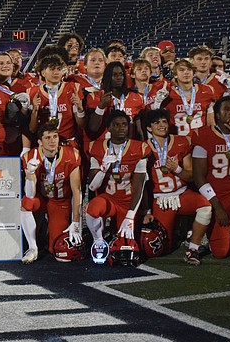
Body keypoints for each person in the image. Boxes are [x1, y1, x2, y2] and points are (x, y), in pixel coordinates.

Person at [190, 96, 230, 266]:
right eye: (226, 109)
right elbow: (198, 177)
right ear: (217, 114)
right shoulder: (203, 135)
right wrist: (217, 206)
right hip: (218, 197)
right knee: (220, 252)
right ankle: (215, 233)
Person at [141, 109, 211, 256]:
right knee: (162, 249)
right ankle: (178, 234)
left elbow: (191, 175)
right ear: (149, 127)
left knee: (206, 206)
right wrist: (147, 210)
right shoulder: (143, 148)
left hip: (182, 194)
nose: (162, 125)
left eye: (164, 121)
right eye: (156, 122)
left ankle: (194, 246)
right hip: (161, 200)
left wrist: (177, 169)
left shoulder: (181, 142)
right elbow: (142, 184)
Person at [85, 110, 151, 262]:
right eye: (116, 125)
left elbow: (139, 187)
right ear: (109, 128)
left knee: (126, 248)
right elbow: (93, 187)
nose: (121, 128)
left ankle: (115, 236)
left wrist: (130, 216)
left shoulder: (139, 148)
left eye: (124, 125)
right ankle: (98, 241)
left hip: (128, 203)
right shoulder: (97, 147)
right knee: (93, 207)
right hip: (108, 200)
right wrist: (103, 168)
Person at [20, 124, 82, 263]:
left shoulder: (71, 155)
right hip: (41, 199)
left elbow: (77, 190)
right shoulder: (30, 157)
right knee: (26, 202)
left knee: (57, 249)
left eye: (55, 136)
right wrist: (30, 173)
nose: (52, 141)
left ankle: (46, 235)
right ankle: (32, 248)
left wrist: (76, 221)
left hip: (60, 202)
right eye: (47, 138)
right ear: (40, 142)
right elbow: (30, 194)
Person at [28, 54, 85, 148]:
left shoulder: (72, 88)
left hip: (68, 144)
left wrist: (80, 108)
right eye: (52, 69)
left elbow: (82, 124)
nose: (56, 72)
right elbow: (32, 129)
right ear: (42, 73)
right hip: (45, 145)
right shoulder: (33, 92)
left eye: (59, 69)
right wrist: (35, 110)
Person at [163, 59, 216, 137]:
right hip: (178, 141)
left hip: (201, 141)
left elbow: (211, 123)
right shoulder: (168, 94)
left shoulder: (207, 91)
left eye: (189, 69)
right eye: (182, 70)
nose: (186, 72)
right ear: (175, 74)